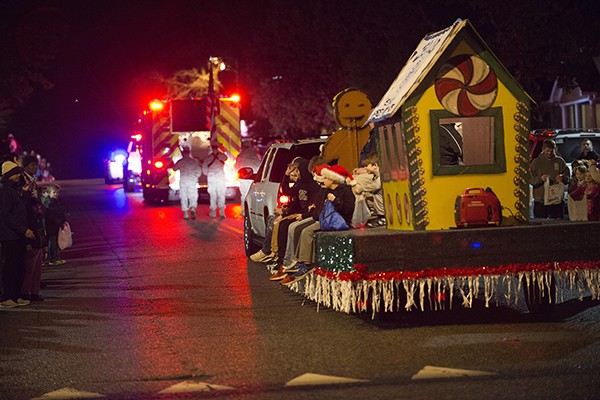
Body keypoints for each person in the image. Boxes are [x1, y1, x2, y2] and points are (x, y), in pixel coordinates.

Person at [279, 164, 355, 285]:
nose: (323, 180)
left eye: (325, 178)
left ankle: (306, 263)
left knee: (307, 231)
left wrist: (335, 201)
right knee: (302, 229)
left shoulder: (345, 191)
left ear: (333, 179)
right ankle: (300, 261)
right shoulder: (326, 191)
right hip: (326, 220)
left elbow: (348, 209)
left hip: (339, 222)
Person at [249, 157, 303, 263]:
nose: (292, 174)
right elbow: (290, 195)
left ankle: (273, 253)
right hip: (295, 211)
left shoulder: (304, 184)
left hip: (300, 214)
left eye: (294, 170)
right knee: (271, 219)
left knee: (277, 222)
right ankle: (268, 250)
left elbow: (298, 203)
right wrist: (285, 208)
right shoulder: (299, 183)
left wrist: (284, 212)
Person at [0, 161, 34, 308]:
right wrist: (23, 230)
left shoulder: (15, 189)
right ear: (9, 175)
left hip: (18, 235)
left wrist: (25, 193)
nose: (19, 175)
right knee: (11, 267)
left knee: (20, 266)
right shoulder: (6, 191)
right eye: (16, 172)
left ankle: (15, 295)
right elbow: (6, 216)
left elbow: (20, 209)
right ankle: (6, 297)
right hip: (10, 236)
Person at [530, 139, 569, 219]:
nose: (549, 153)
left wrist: (562, 177)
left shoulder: (560, 161)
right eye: (547, 151)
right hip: (541, 200)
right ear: (543, 149)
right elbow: (530, 179)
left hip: (556, 200)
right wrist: (540, 179)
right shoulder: (536, 162)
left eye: (552, 151)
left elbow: (567, 176)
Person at [21, 198, 47, 301]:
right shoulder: (28, 219)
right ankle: (25, 292)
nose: (38, 208)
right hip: (33, 246)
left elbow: (42, 233)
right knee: (29, 271)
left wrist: (45, 247)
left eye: (39, 206)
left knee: (37, 271)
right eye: (36, 206)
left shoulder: (39, 218)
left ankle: (35, 292)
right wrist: (28, 245)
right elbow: (27, 233)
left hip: (39, 246)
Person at [350, 152, 385, 227]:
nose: (365, 168)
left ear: (375, 165)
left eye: (366, 166)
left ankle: (383, 218)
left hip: (383, 210)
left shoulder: (381, 177)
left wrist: (362, 188)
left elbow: (376, 186)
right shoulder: (375, 177)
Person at [173, 147, 202, 220]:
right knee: (193, 195)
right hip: (192, 181)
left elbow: (174, 168)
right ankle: (192, 208)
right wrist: (195, 177)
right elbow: (199, 171)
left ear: (183, 153)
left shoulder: (180, 161)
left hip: (183, 181)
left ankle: (185, 214)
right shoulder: (194, 161)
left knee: (184, 196)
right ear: (189, 153)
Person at [41, 184, 67, 266]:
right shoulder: (50, 203)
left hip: (54, 225)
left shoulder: (55, 202)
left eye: (57, 192)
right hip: (51, 226)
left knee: (55, 242)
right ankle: (53, 258)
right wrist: (59, 222)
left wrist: (63, 220)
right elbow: (51, 216)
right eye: (54, 192)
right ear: (49, 193)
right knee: (53, 242)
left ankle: (55, 257)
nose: (56, 194)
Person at [201, 143, 228, 218]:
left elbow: (204, 171)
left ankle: (213, 212)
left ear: (211, 148)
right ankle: (222, 212)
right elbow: (226, 158)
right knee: (221, 194)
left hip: (212, 178)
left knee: (213, 195)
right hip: (220, 177)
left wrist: (210, 173)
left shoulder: (207, 158)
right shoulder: (222, 156)